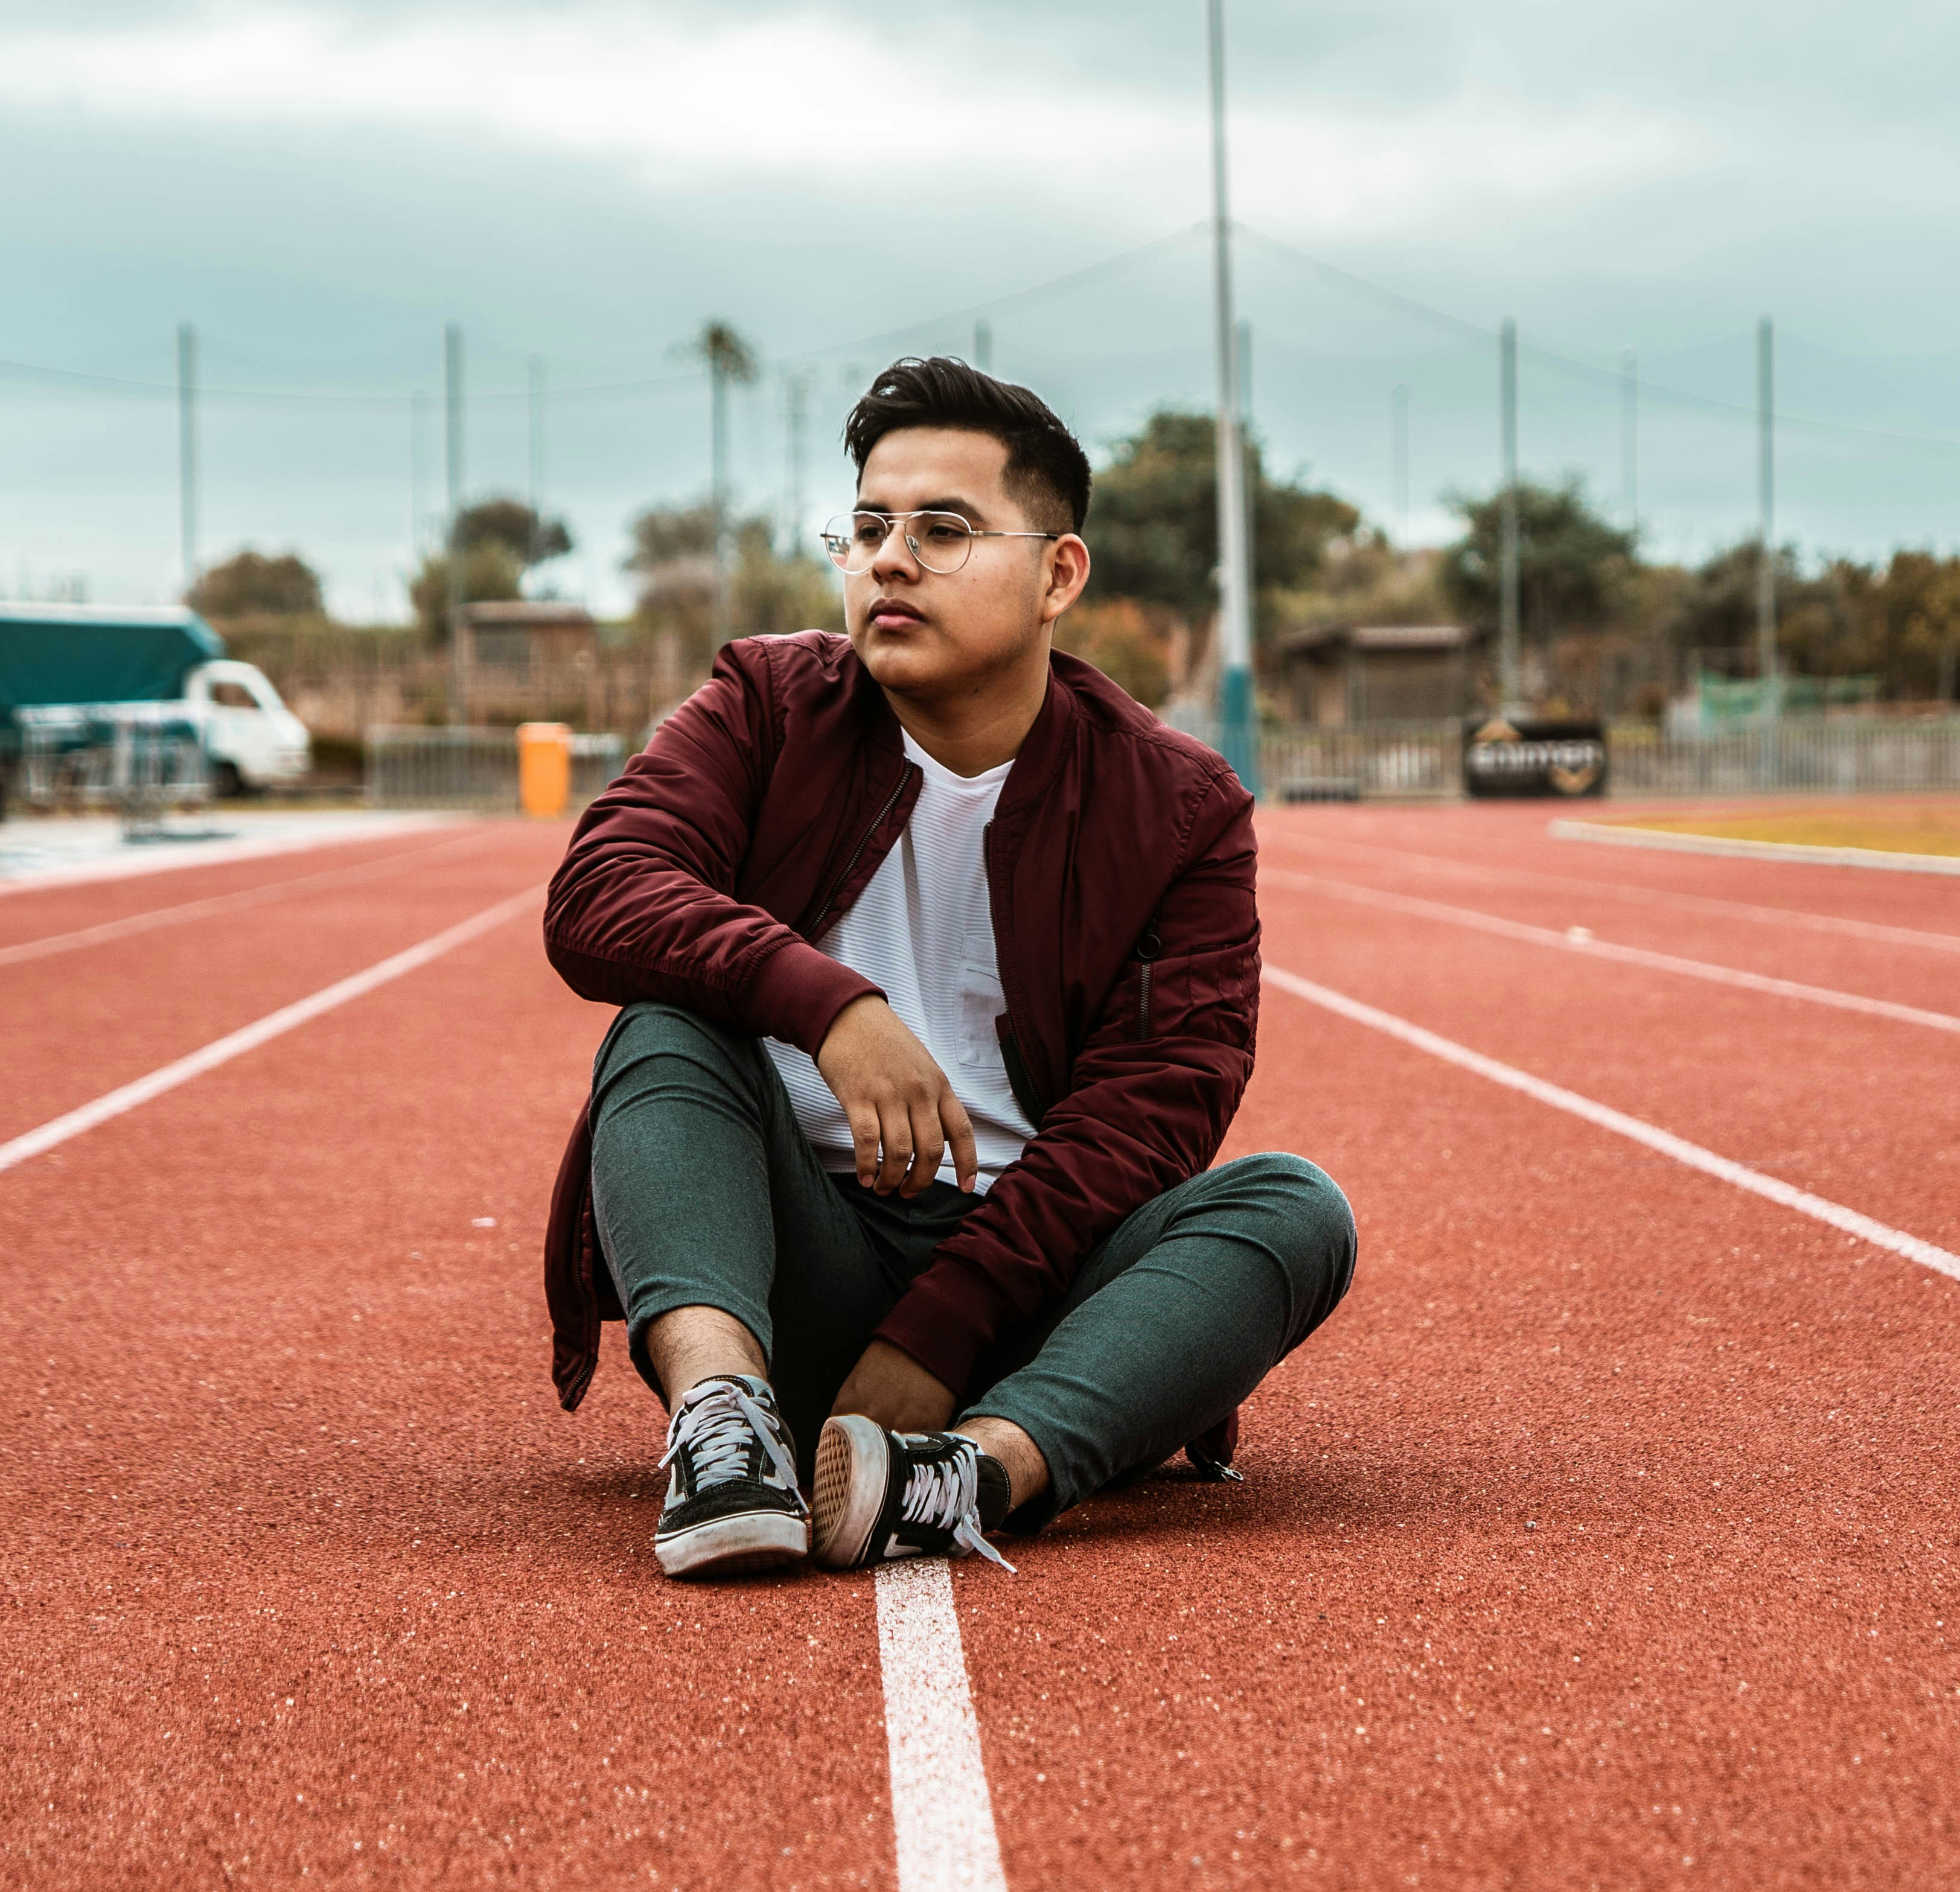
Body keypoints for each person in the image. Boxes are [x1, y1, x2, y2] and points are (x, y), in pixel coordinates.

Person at [538, 357, 1357, 1579]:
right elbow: (598, 892)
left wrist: (936, 1336)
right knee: (666, 1025)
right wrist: (827, 1006)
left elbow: (1156, 1107)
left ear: (1056, 574)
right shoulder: (764, 704)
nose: (889, 559)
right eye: (866, 527)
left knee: (1293, 1209)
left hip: (1033, 1305)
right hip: (786, 1257)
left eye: (943, 529)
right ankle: (722, 1425)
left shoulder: (1175, 805)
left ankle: (966, 1473)